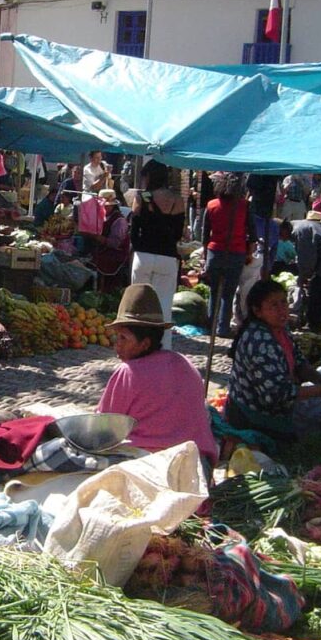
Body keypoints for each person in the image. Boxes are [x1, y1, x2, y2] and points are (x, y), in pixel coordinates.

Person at [97, 284, 219, 468]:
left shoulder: (128, 372)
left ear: (145, 343)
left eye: (123, 338)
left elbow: (105, 427)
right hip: (198, 465)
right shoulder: (184, 363)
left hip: (154, 467)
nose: (117, 345)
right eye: (117, 337)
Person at [226, 279, 321, 441]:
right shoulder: (259, 341)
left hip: (275, 407)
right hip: (252, 414)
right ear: (257, 311)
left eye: (283, 302)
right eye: (273, 305)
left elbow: (299, 362)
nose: (282, 310)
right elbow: (277, 394)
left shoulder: (280, 329)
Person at [129, 159, 185, 349]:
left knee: (137, 305)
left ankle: (136, 345)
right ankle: (163, 347)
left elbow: (134, 229)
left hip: (143, 255)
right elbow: (178, 233)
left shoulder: (142, 196)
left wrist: (138, 247)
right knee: (164, 306)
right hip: (167, 256)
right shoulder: (177, 199)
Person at [201, 172, 256, 337]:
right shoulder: (244, 206)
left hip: (214, 251)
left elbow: (204, 234)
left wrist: (205, 255)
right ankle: (222, 328)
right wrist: (249, 253)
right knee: (228, 293)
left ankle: (210, 325)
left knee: (214, 290)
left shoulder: (211, 205)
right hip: (236, 252)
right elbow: (252, 234)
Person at [91, 189, 130, 292]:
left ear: (111, 206)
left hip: (115, 255)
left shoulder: (119, 221)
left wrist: (96, 236)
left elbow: (114, 243)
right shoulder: (103, 217)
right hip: (102, 251)